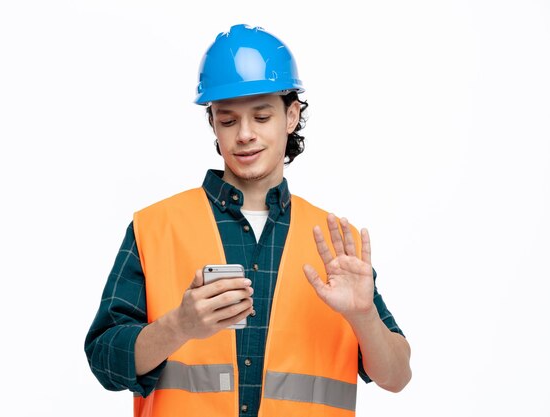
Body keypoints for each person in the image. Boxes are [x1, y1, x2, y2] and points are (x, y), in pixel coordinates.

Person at [85, 24, 411, 417]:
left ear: (291, 116)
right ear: (212, 124)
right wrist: (178, 327)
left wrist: (363, 316)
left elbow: (397, 376)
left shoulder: (333, 243)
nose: (244, 135)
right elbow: (104, 359)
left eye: (260, 116)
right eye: (227, 120)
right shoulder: (155, 228)